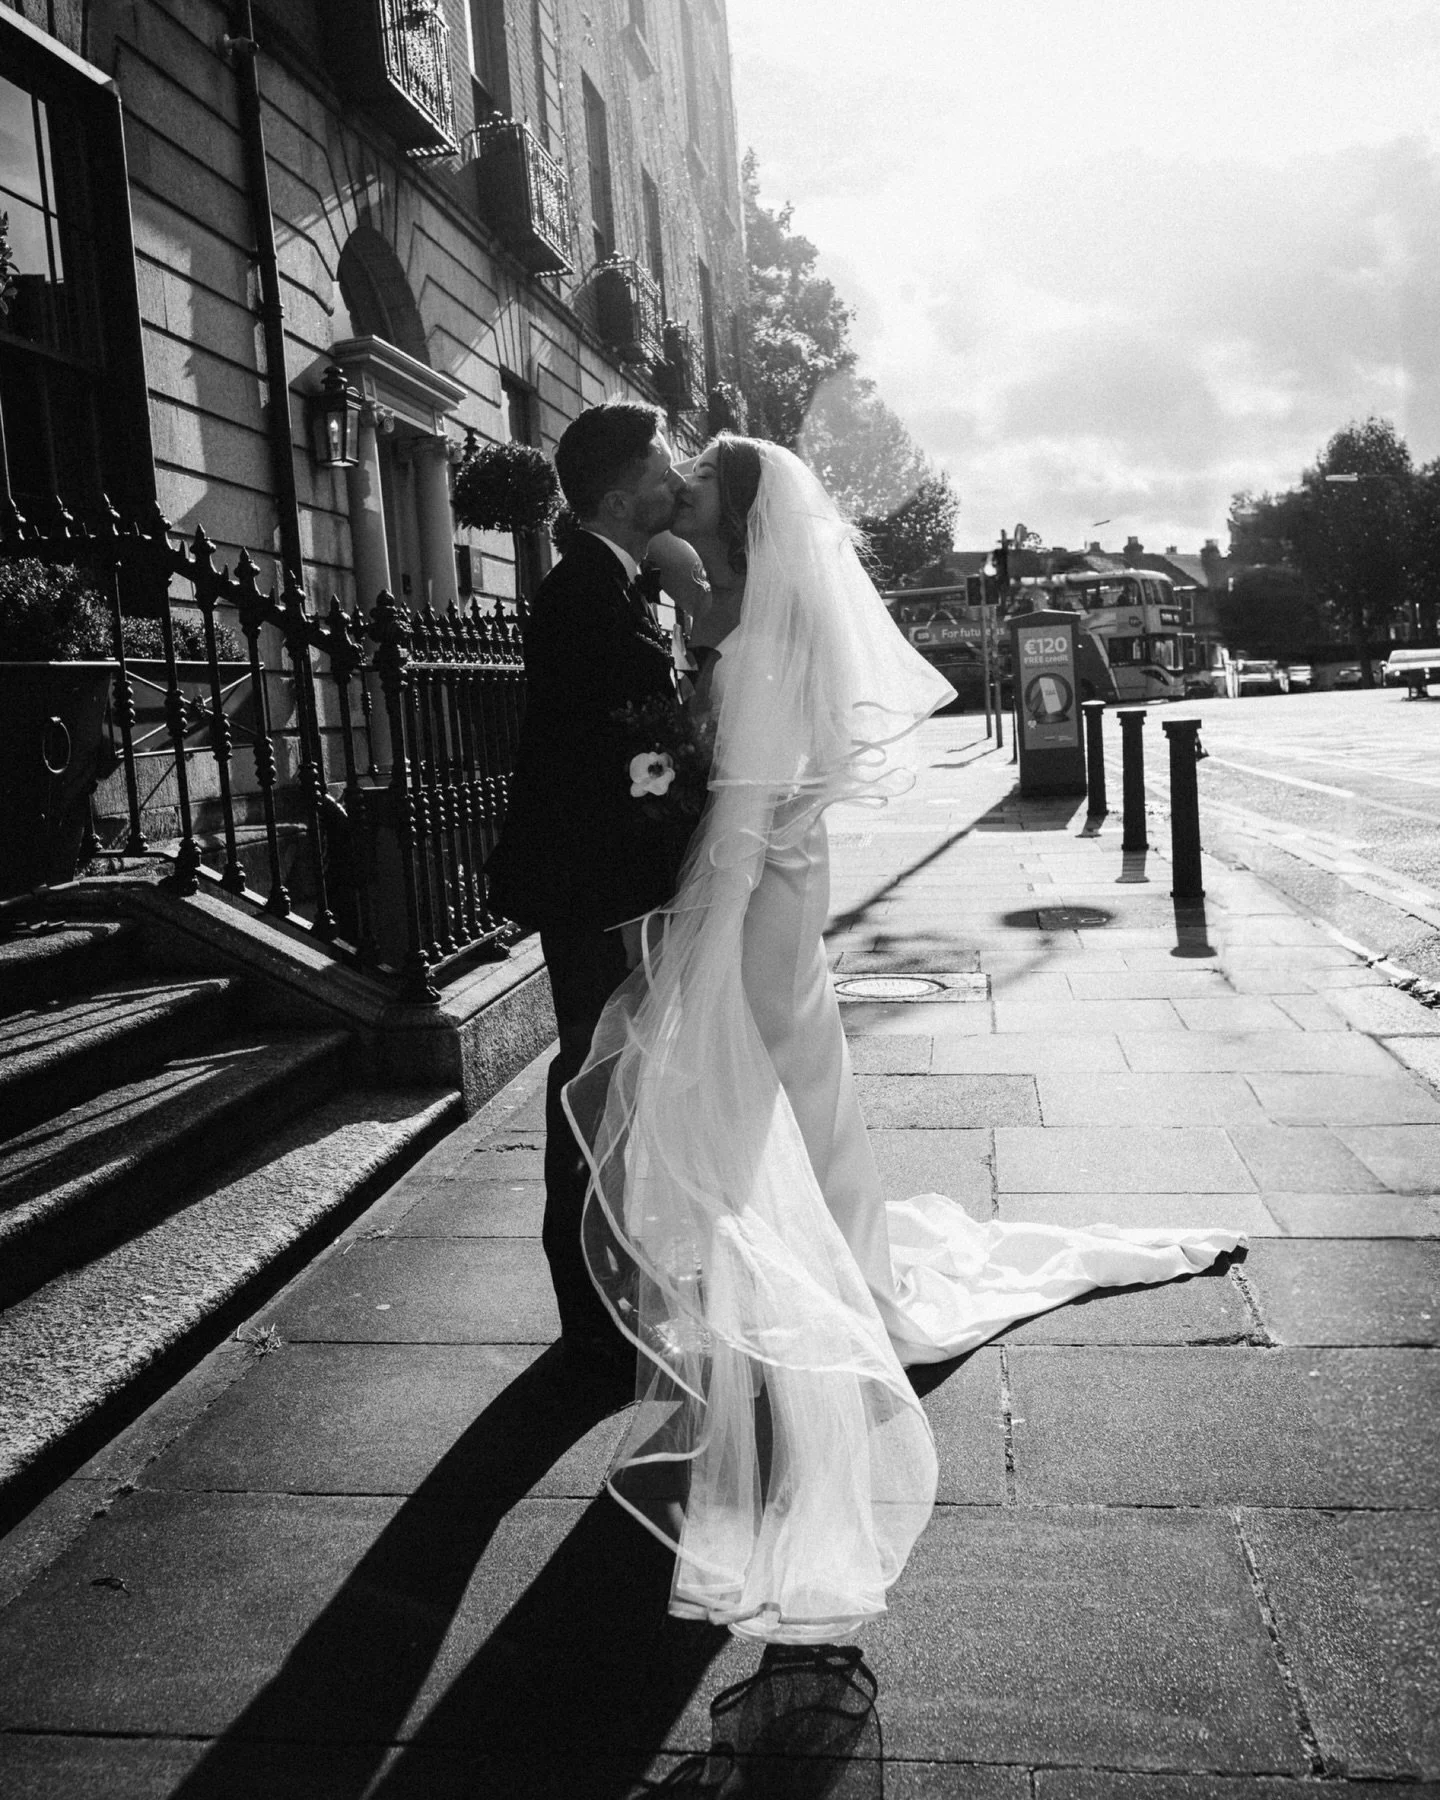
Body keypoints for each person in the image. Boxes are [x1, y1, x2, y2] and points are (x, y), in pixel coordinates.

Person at [563, 436, 1246, 1643]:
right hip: (764, 884)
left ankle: (817, 1286)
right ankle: (817, 1272)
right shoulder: (732, 613)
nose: (682, 490)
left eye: (700, 485)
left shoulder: (760, 634)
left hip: (755, 894)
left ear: (741, 516)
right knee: (779, 1091)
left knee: (764, 1090)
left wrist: (695, 926)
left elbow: (748, 803)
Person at [484, 401, 688, 1376]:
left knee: (611, 1084)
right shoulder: (582, 596)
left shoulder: (617, 584)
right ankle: (591, 1312)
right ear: (616, 496)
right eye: (660, 468)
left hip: (609, 887)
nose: (675, 479)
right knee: (592, 1085)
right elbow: (610, 759)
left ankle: (610, 1290)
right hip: (594, 891)